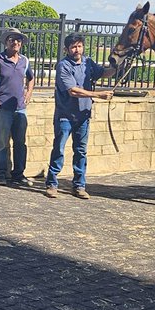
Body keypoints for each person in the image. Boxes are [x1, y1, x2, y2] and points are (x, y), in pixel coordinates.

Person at [44, 33, 113, 199]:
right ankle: (52, 184)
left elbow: (104, 73)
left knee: (81, 151)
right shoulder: (63, 66)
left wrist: (119, 66)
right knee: (59, 149)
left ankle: (79, 186)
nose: (77, 50)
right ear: (67, 49)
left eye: (79, 46)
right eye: (74, 47)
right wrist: (97, 95)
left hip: (83, 115)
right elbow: (73, 91)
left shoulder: (88, 63)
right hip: (65, 116)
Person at [0, 28, 37, 189]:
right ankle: (0, 173)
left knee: (20, 143)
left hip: (20, 108)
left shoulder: (25, 61)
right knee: (1, 143)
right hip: (2, 107)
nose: (15, 42)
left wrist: (29, 92)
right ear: (6, 42)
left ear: (22, 43)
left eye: (18, 40)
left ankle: (18, 174)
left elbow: (31, 78)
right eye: (12, 39)